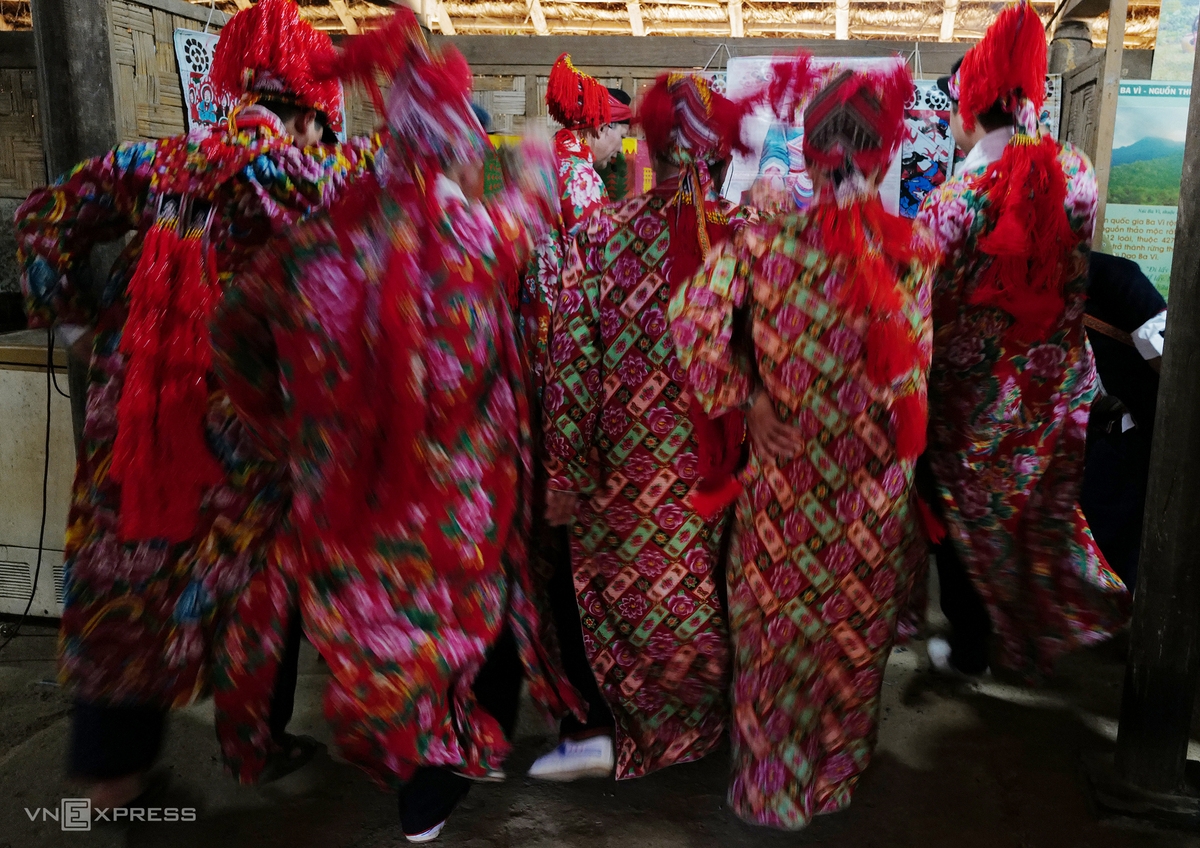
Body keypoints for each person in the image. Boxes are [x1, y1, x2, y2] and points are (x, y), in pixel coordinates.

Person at [209, 14, 581, 843]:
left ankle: (416, 775)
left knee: (385, 653)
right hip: (456, 516)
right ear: (452, 147)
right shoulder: (482, 239)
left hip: (348, 510)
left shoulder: (309, 247)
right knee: (464, 646)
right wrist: (531, 147)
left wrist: (281, 427)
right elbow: (530, 203)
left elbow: (231, 329)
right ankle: (436, 784)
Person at [13, 0, 379, 809]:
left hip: (135, 413)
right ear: (316, 109)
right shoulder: (311, 177)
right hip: (241, 425)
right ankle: (254, 742)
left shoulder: (155, 161)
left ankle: (111, 778)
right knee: (256, 578)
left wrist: (77, 327)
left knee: (124, 574)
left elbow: (42, 217)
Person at [671, 54, 932, 830]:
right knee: (850, 654)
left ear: (808, 154)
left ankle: (769, 793)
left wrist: (742, 398)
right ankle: (834, 783)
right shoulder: (911, 253)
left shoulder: (763, 246)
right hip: (870, 502)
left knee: (775, 650)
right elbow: (915, 384)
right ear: (885, 156)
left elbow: (689, 321)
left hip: (783, 494)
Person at [534, 72, 754, 781]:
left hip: (618, 475)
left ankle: (633, 728)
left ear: (649, 149)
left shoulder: (597, 235)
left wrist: (566, 471)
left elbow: (568, 362)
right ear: (715, 154)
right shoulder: (742, 238)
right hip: (711, 469)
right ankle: (701, 727)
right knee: (698, 593)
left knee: (626, 601)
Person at [916, 1, 1129, 679]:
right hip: (1051, 382)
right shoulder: (1075, 173)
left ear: (970, 107)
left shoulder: (955, 198)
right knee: (1044, 512)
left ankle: (976, 644)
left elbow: (926, 305)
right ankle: (1056, 630)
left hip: (968, 403)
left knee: (958, 526)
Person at [517, 54, 632, 781]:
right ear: (599, 127)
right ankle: (590, 700)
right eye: (620, 133)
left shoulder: (535, 163)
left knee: (543, 544)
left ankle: (559, 685)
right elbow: (592, 283)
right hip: (566, 363)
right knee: (578, 547)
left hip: (527, 356)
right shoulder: (584, 178)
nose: (624, 147)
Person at [1079, 252, 1165, 589]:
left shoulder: (1114, 277)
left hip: (1140, 432)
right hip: (1095, 429)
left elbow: (1172, 364)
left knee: (1113, 535)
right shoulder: (1021, 291)